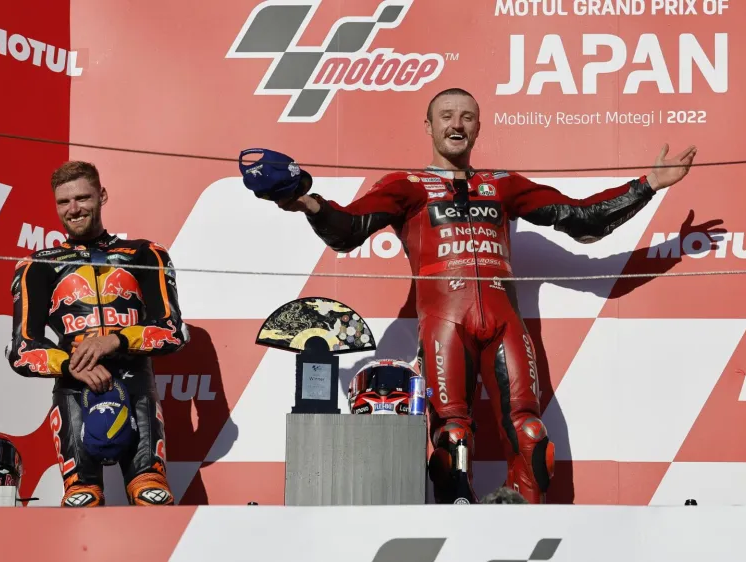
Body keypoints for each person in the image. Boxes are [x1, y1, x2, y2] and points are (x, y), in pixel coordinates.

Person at [241, 87, 697, 504]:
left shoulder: (504, 184)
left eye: (466, 117)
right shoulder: (407, 184)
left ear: (478, 126)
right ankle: (456, 534)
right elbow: (348, 230)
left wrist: (647, 186)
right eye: (445, 116)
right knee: (451, 439)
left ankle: (528, 536)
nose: (456, 124)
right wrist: (306, 201)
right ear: (429, 126)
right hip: (444, 326)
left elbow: (581, 220)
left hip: (505, 323)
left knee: (532, 434)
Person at [6, 161, 189, 507]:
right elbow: (21, 350)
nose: (73, 209)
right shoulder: (36, 265)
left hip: (137, 390)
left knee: (153, 496)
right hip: (74, 392)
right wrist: (71, 364)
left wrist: (116, 339)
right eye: (64, 202)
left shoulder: (146, 253)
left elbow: (173, 331)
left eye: (82, 198)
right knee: (81, 499)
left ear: (101, 196)